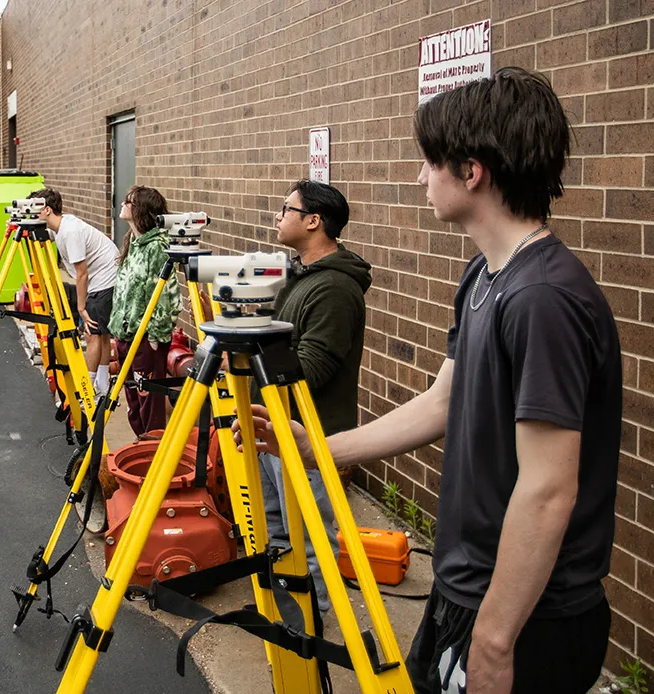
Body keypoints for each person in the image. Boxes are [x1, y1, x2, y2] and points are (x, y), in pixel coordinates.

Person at [243, 67, 621, 694]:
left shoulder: (543, 299)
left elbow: (550, 490)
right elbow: (443, 402)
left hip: (528, 617)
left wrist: (495, 641)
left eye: (430, 163)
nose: (421, 177)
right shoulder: (485, 278)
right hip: (464, 589)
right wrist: (317, 450)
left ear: (472, 172)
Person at [247, 179, 371, 616]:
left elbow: (313, 369)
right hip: (274, 427)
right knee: (279, 533)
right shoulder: (298, 274)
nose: (278, 217)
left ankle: (311, 628)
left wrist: (250, 343)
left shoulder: (335, 289)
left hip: (309, 436)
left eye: (286, 209)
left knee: (312, 539)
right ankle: (286, 615)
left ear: (314, 221)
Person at [30, 188, 119, 395]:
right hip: (103, 275)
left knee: (92, 334)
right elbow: (48, 236)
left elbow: (82, 274)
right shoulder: (62, 224)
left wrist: (81, 307)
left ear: (47, 210)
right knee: (101, 333)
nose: (31, 214)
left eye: (34, 209)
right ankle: (103, 384)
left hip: (104, 279)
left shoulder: (70, 232)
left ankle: (88, 388)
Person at [107, 185, 181, 436]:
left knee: (148, 396)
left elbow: (165, 295)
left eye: (128, 202)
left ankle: (152, 448)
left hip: (146, 339)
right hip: (127, 334)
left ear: (141, 210)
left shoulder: (157, 247)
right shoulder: (134, 242)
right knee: (132, 395)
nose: (122, 205)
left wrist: (156, 337)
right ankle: (141, 441)